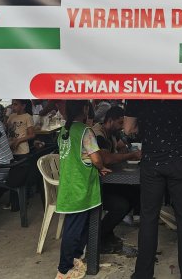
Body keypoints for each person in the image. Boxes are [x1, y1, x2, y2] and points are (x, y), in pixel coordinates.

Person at [124, 99, 182, 279]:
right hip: (179, 161)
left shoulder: (138, 92)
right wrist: (177, 126)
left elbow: (128, 129)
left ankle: (143, 274)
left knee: (148, 218)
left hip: (151, 163)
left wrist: (148, 127)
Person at [56, 100, 110, 279]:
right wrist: (101, 167)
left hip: (68, 183)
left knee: (77, 225)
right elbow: (96, 159)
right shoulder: (85, 131)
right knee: (73, 229)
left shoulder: (64, 130)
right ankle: (64, 268)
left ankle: (75, 258)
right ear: (85, 109)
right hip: (81, 185)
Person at [91, 106, 141, 254]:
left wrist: (123, 153)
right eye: (120, 123)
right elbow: (106, 159)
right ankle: (98, 238)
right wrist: (130, 156)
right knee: (121, 205)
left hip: (108, 180)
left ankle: (107, 232)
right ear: (110, 120)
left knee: (134, 193)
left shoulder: (113, 132)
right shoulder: (98, 134)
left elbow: (122, 147)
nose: (122, 127)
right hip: (96, 184)